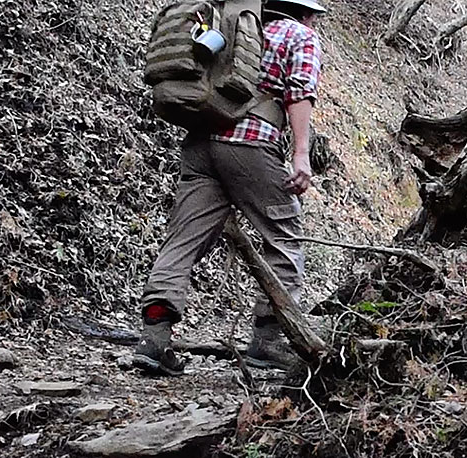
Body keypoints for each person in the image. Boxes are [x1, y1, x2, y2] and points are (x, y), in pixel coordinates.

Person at [133, 0, 328, 376]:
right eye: (315, 17)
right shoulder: (298, 34)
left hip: (200, 144)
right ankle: (268, 340)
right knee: (283, 237)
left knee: (182, 242)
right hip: (250, 144)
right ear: (304, 14)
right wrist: (301, 154)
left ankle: (154, 339)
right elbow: (300, 92)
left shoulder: (225, 28)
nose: (316, 23)